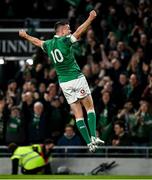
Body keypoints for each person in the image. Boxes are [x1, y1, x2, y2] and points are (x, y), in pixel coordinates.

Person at [19, 10, 104, 152]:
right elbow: (79, 32)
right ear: (62, 30)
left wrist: (25, 35)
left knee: (78, 114)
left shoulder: (48, 44)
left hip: (64, 83)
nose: (70, 30)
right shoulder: (64, 40)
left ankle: (89, 143)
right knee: (89, 108)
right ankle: (94, 137)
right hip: (76, 78)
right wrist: (90, 18)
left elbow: (36, 41)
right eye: (68, 28)